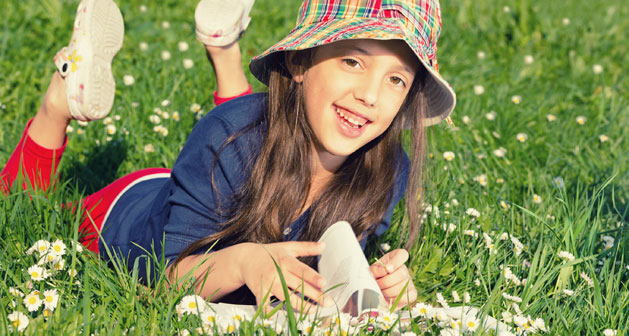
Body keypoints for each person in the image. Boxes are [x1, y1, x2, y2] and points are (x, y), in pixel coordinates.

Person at [1, 0, 455, 312]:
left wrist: (372, 285)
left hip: (221, 187)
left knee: (258, 142)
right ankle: (58, 100)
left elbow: (324, 263)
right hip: (128, 211)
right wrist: (241, 262)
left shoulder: (388, 170)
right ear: (299, 63)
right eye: (352, 62)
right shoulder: (227, 140)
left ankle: (223, 50)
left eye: (397, 79)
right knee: (19, 204)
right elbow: (164, 280)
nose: (371, 96)